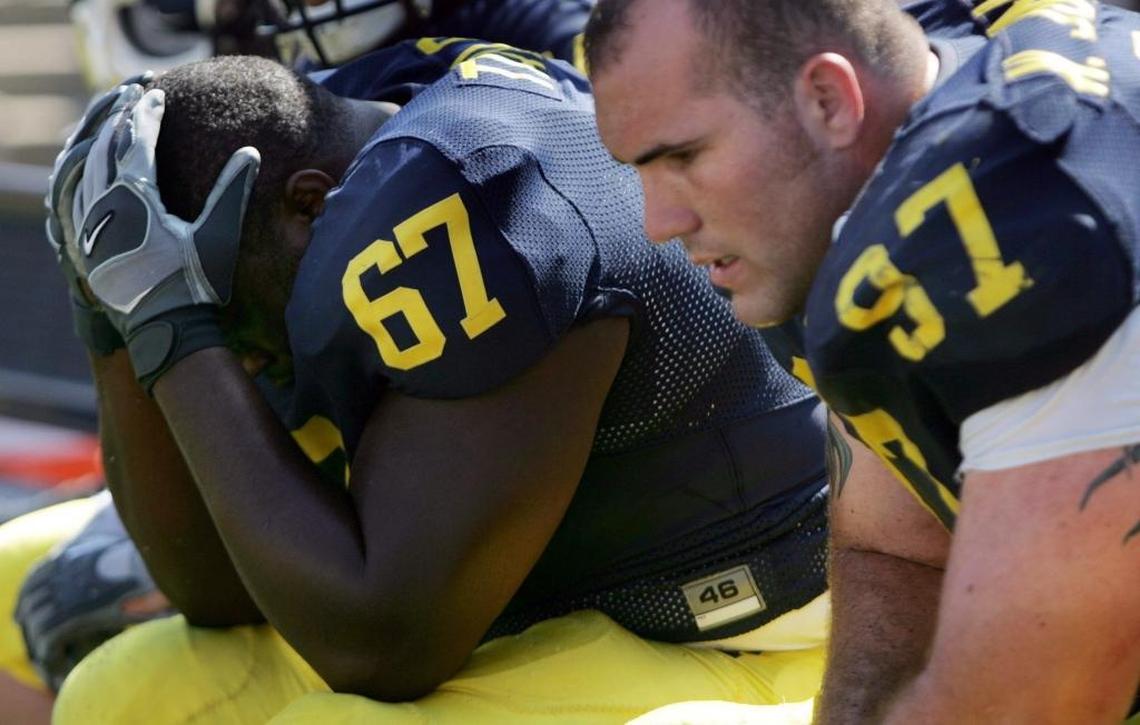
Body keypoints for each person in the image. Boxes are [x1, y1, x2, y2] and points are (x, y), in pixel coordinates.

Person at [46, 41, 832, 722]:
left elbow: (380, 643)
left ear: (310, 205)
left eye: (235, 324)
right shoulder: (353, 137)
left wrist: (174, 324)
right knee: (117, 696)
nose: (242, 364)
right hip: (558, 612)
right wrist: (112, 311)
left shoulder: (479, 195)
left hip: (747, 632)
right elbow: (212, 590)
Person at [586, 0, 1140, 721]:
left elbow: (1027, 705)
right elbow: (894, 546)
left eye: (684, 157)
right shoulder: (873, 161)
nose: (660, 223)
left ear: (828, 99)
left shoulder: (1018, 206)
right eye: (640, 169)